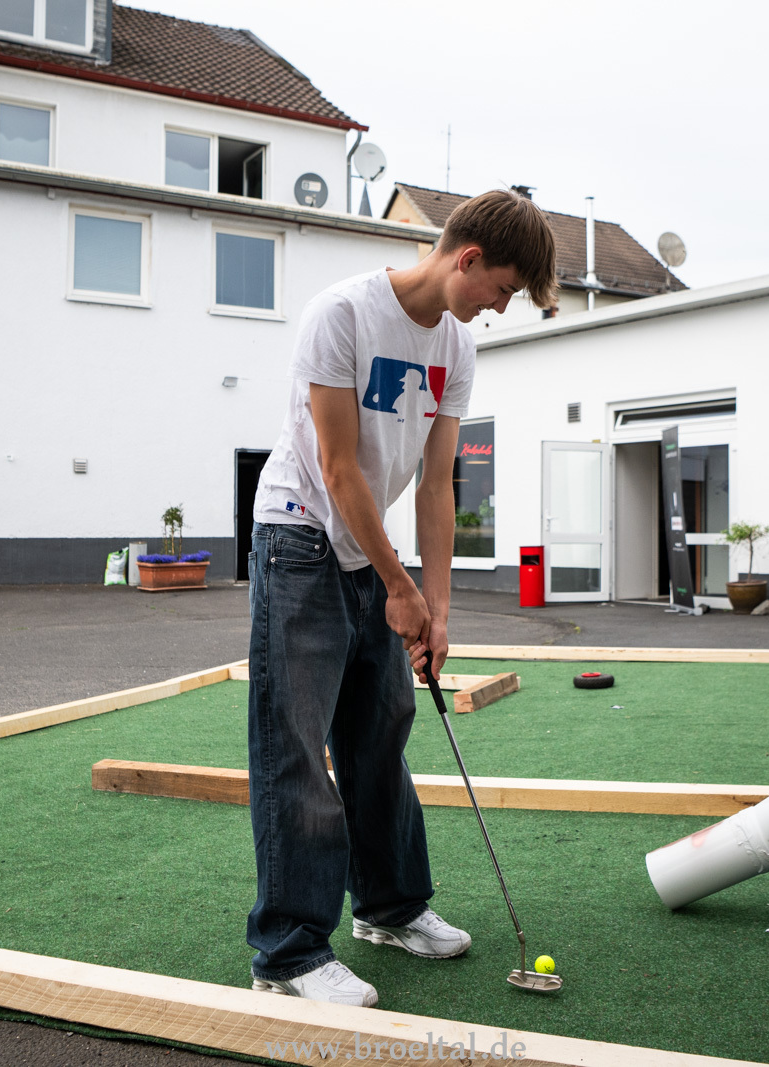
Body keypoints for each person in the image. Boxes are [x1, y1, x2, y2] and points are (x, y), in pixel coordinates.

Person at [245, 189, 558, 1006]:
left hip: (367, 547)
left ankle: (388, 908)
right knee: (294, 746)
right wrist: (398, 584)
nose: (499, 307)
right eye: (501, 289)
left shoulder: (457, 345)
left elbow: (436, 485)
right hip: (300, 538)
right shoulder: (342, 315)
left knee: (380, 732)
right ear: (468, 259)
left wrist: (437, 610)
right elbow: (339, 467)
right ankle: (288, 952)